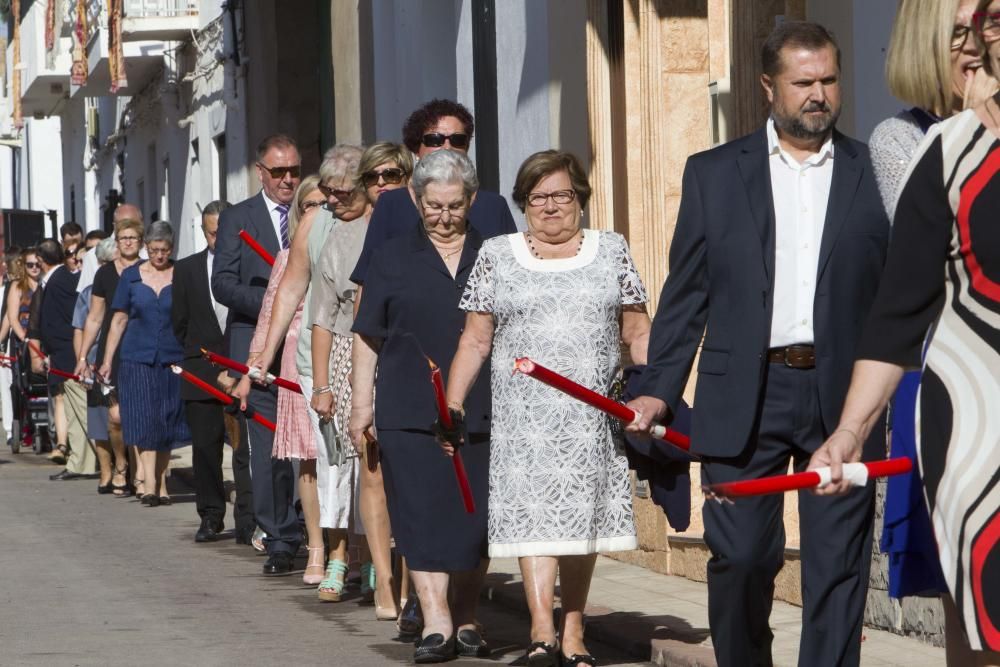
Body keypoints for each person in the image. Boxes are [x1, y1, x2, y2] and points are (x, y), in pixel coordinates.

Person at [626, 22, 890, 667]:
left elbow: (897, 297)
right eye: (804, 83)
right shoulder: (713, 174)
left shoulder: (874, 172)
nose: (819, 95)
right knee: (742, 558)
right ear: (770, 85)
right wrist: (660, 389)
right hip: (742, 392)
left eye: (829, 80)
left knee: (837, 567)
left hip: (843, 397)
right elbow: (687, 294)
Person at [808, 4, 1000, 663]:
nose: (979, 43)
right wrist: (849, 432)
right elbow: (899, 305)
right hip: (979, 414)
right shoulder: (934, 150)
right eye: (971, 28)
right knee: (980, 609)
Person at [443, 150, 650, 667]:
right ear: (523, 204)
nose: (551, 207)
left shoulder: (612, 250)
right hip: (524, 420)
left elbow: (638, 331)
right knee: (535, 522)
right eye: (538, 197)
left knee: (581, 525)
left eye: (562, 195)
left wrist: (656, 395)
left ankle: (574, 630)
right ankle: (541, 631)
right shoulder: (496, 253)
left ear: (580, 198)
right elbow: (475, 339)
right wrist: (452, 400)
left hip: (592, 418)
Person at [867, 0, 994, 607]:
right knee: (963, 579)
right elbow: (930, 251)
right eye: (957, 36)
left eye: (984, 31)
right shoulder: (902, 138)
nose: (974, 48)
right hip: (953, 376)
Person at [350, 150, 493, 663]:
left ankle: (469, 611)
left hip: (484, 405)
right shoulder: (390, 257)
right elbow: (367, 337)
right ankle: (437, 619)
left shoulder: (496, 252)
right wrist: (359, 405)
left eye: (455, 205)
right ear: (415, 200)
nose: (444, 216)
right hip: (408, 407)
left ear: (471, 200)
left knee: (475, 516)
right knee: (420, 513)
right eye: (433, 206)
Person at [309, 142, 412, 609]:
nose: (383, 186)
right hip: (357, 353)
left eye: (393, 175)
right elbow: (323, 317)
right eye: (374, 178)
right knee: (369, 468)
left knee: (409, 469)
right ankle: (383, 579)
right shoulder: (342, 238)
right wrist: (323, 385)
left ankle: (410, 578)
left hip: (411, 352)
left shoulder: (422, 227)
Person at [212, 134, 302, 575]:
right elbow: (222, 283)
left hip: (305, 341)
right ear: (260, 171)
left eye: (294, 171)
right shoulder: (238, 218)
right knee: (267, 444)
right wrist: (275, 300)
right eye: (279, 171)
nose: (288, 180)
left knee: (309, 442)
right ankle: (279, 536)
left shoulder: (313, 210)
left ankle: (320, 529)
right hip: (256, 342)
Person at [233, 176, 329, 584]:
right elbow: (272, 312)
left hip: (335, 365)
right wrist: (250, 371)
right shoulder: (286, 257)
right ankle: (299, 543)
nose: (319, 212)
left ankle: (347, 546)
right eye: (309, 206)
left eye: (325, 203)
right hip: (291, 364)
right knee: (301, 460)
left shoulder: (348, 250)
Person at [350, 99, 518, 290]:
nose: (447, 147)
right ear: (416, 148)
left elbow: (512, 279)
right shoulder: (391, 204)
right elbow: (368, 283)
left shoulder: (494, 206)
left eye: (457, 140)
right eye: (434, 140)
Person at [173, 200, 251, 542]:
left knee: (244, 449)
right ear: (203, 232)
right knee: (205, 448)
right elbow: (179, 321)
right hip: (201, 371)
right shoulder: (187, 268)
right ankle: (210, 515)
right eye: (212, 232)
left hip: (240, 369)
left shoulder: (248, 266)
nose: (218, 238)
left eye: (224, 231)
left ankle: (248, 519)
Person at [101, 221, 189, 507]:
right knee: (144, 418)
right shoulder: (130, 277)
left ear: (171, 249)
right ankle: (149, 481)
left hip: (173, 358)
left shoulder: (182, 274)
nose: (159, 256)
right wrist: (106, 360)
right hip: (136, 357)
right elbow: (118, 319)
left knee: (167, 418)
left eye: (164, 250)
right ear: (146, 248)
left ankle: (161, 480)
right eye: (153, 250)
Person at [77, 217, 145, 496]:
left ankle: (142, 476)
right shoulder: (104, 275)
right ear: (115, 242)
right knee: (116, 417)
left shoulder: (149, 269)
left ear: (140, 243)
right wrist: (82, 357)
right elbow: (94, 318)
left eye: (133, 238)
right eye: (123, 238)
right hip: (112, 349)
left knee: (140, 414)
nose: (128, 242)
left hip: (141, 345)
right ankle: (121, 463)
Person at [28, 239, 93, 479]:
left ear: (41, 260)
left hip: (69, 356)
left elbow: (74, 318)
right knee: (73, 413)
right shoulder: (58, 279)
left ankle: (105, 462)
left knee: (82, 412)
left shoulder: (60, 281)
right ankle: (80, 463)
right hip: (61, 355)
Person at [72, 237, 121, 494]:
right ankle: (105, 471)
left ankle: (126, 469)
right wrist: (82, 361)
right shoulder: (88, 292)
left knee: (122, 418)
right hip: (94, 359)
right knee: (99, 418)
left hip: (121, 359)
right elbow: (80, 329)